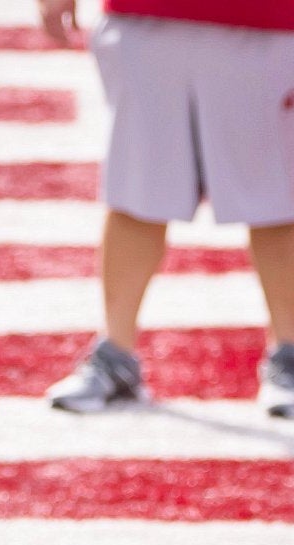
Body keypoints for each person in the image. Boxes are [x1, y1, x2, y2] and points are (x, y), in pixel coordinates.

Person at [38, 0, 294, 417]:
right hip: (146, 17)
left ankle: (290, 355)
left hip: (269, 21)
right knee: (136, 193)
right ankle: (115, 352)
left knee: (278, 202)